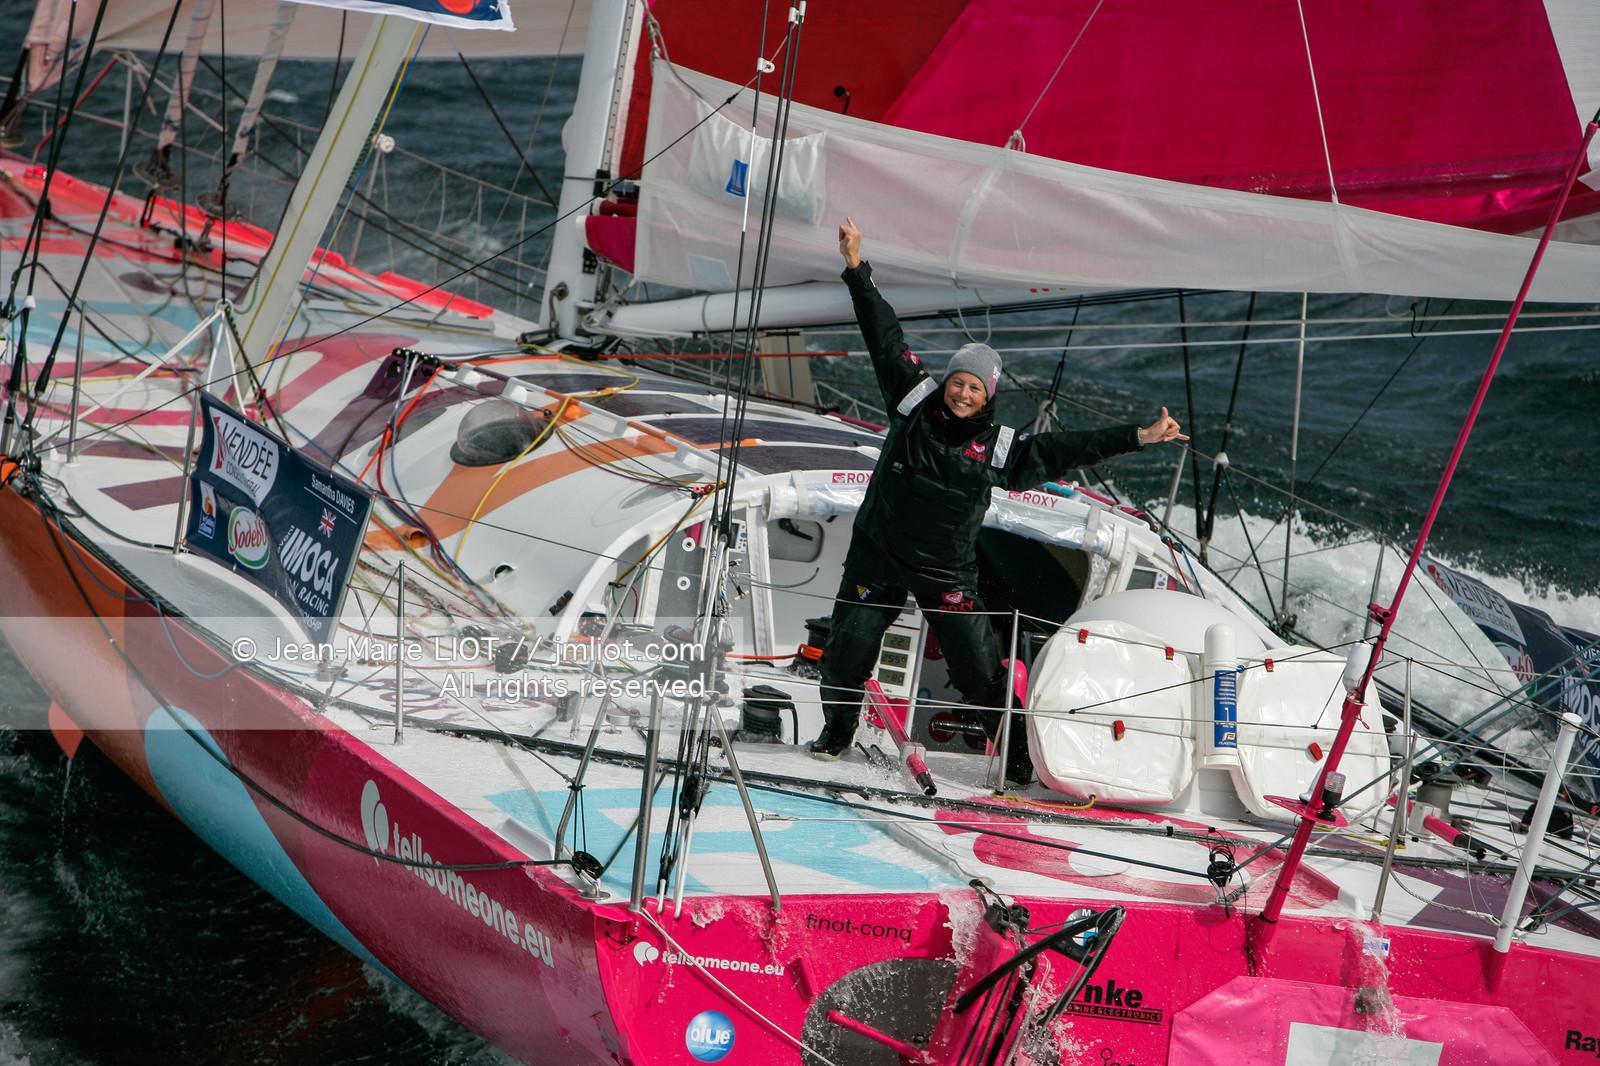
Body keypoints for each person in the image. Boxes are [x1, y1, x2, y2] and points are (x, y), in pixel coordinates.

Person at [810, 217, 1187, 785]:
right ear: (948, 381)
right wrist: (856, 267)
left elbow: (1069, 449)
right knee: (847, 649)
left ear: (989, 395)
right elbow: (882, 334)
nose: (962, 392)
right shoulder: (912, 402)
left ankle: (1014, 757)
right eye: (958, 381)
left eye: (975, 388)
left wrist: (1138, 435)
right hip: (879, 555)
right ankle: (835, 735)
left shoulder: (1000, 448)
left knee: (978, 668)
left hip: (946, 573)